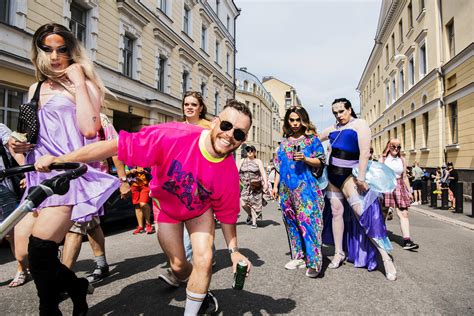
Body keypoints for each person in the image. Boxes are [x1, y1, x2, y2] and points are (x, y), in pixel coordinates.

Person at [34, 99, 253, 315]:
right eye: (226, 126)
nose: (229, 135)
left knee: (204, 260)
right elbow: (114, 146)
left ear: (242, 140)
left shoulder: (229, 174)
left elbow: (226, 216)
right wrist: (61, 159)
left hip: (199, 210)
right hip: (166, 209)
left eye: (239, 134)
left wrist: (234, 251)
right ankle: (198, 289)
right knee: (178, 267)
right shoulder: (173, 135)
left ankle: (193, 305)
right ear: (214, 122)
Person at [9, 23, 119, 315]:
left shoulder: (85, 86)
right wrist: (21, 148)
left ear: (72, 52)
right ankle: (77, 287)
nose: (55, 56)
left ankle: (49, 308)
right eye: (48, 49)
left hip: (65, 176)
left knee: (41, 250)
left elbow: (89, 128)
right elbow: (32, 135)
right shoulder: (35, 88)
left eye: (62, 49)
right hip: (36, 174)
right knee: (24, 253)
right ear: (38, 51)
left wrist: (80, 83)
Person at [320, 98, 396, 281]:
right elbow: (313, 139)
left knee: (363, 215)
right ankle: (339, 253)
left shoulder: (360, 124)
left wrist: (361, 178)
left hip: (350, 176)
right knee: (336, 213)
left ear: (349, 109)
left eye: (341, 111)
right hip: (332, 176)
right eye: (335, 113)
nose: (338, 115)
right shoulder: (332, 129)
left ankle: (385, 258)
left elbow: (364, 152)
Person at [61, 113, 131, 283]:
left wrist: (123, 180)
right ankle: (102, 265)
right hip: (65, 180)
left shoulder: (99, 118)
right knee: (92, 225)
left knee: (76, 226)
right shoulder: (62, 115)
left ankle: (62, 279)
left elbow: (115, 148)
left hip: (91, 181)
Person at [270, 106, 325, 278]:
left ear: (303, 120)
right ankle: (299, 257)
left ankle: (315, 262)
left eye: (297, 120)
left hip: (306, 189)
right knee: (291, 223)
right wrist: (275, 186)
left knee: (308, 223)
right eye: (291, 120)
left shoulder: (311, 140)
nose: (294, 123)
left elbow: (321, 162)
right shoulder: (284, 142)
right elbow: (279, 166)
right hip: (286, 189)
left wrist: (306, 158)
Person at [0, 123, 29, 287]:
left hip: (3, 190)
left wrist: (27, 171)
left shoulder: (0, 128)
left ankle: (22, 268)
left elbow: (13, 148)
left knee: (10, 233)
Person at [380, 139, 419, 250]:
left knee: (404, 213)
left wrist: (409, 191)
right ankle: (380, 238)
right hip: (386, 185)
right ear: (388, 146)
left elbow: (405, 177)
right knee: (383, 214)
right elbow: (377, 175)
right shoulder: (382, 159)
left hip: (399, 186)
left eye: (398, 147)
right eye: (393, 146)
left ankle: (407, 241)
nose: (396, 149)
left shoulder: (402, 160)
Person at [239, 145, 268, 229]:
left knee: (253, 204)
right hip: (246, 186)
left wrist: (265, 183)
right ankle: (250, 215)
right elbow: (236, 172)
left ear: (254, 152)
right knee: (243, 203)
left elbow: (263, 173)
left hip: (256, 186)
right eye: (248, 151)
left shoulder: (258, 161)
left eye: (251, 150)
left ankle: (254, 223)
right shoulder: (242, 161)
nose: (249, 152)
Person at [128, 166, 153, 234]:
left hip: (144, 185)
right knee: (137, 206)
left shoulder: (145, 160)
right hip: (134, 186)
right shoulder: (128, 163)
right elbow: (124, 173)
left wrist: (145, 171)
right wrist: (131, 171)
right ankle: (140, 226)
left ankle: (148, 224)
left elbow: (152, 171)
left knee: (143, 203)